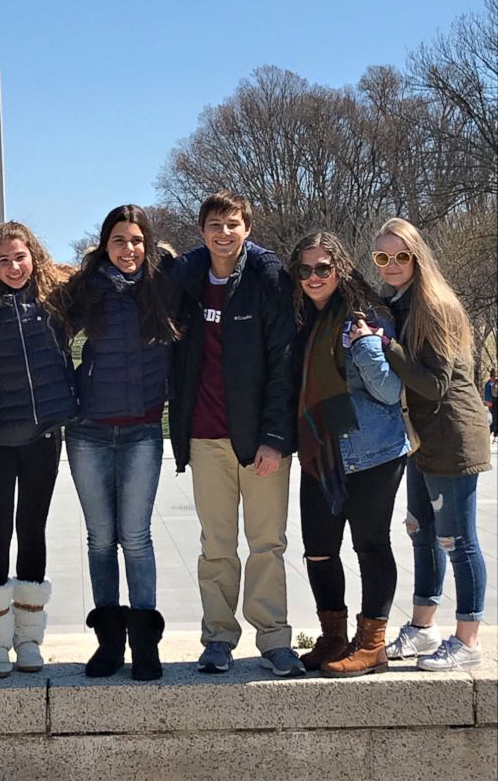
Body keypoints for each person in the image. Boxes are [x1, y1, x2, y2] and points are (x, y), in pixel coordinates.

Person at [169, 190, 302, 677]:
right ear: (201, 230)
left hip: (260, 439)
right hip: (205, 436)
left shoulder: (267, 278)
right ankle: (219, 637)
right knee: (217, 546)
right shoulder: (187, 279)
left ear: (247, 228)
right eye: (214, 225)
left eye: (232, 225)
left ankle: (274, 638)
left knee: (268, 543)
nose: (223, 234)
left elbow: (283, 366)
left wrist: (274, 437)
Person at [61, 205, 178, 682]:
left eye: (135, 241)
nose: (128, 250)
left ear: (147, 244)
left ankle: (145, 641)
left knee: (136, 537)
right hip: (88, 428)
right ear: (104, 245)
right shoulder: (86, 288)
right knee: (100, 538)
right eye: (118, 241)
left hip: (142, 428)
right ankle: (109, 642)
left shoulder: (164, 284)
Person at [371, 218, 491, 671]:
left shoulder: (435, 306)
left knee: (457, 541)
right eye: (383, 257)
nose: (391, 265)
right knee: (421, 533)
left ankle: (468, 638)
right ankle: (423, 629)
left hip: (452, 436)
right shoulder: (395, 302)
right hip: (421, 440)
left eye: (400, 256)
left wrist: (388, 348)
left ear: (417, 256)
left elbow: (437, 384)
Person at [289, 231, 409, 677]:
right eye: (305, 269)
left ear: (340, 268)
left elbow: (389, 389)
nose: (314, 276)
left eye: (323, 267)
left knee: (370, 545)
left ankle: (372, 643)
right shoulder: (300, 319)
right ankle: (334, 636)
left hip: (372, 450)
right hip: (319, 450)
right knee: (319, 550)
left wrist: (363, 346)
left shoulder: (368, 315)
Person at [0, 221, 77, 677]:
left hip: (43, 434)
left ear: (34, 255)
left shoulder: (56, 301)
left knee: (32, 531)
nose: (14, 267)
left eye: (20, 257)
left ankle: (29, 637)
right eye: (3, 260)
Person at [483, 368, 497, 437]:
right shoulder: (489, 384)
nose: (494, 377)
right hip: (492, 403)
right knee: (495, 419)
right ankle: (489, 432)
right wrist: (488, 402)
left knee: (495, 419)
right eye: (494, 375)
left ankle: (493, 432)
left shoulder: (493, 383)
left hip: (494, 402)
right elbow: (487, 393)